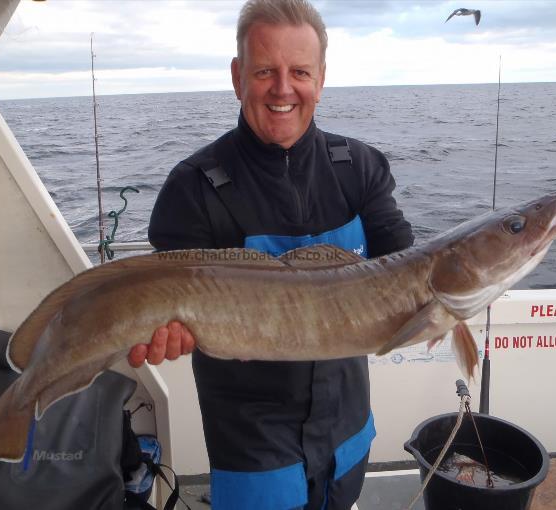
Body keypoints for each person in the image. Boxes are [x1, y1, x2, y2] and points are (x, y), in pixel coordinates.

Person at [128, 1, 413, 508]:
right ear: (238, 77)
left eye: (299, 72)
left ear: (320, 79)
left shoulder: (361, 168)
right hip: (253, 445)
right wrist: (165, 333)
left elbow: (406, 267)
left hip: (348, 429)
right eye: (265, 72)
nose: (283, 89)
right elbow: (159, 301)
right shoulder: (193, 187)